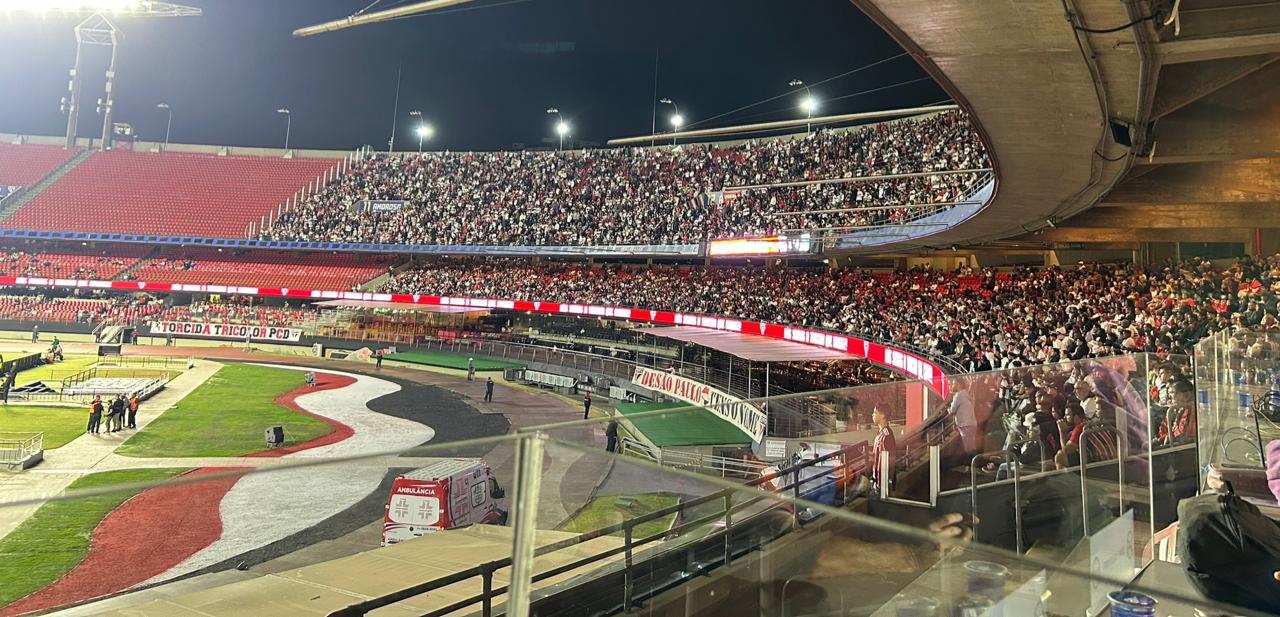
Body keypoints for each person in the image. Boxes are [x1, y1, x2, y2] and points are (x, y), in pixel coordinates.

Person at [870, 406, 897, 493]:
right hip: (878, 482)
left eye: (875, 412)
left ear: (882, 415)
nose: (872, 415)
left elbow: (890, 460)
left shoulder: (886, 435)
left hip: (882, 485)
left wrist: (886, 483)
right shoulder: (880, 434)